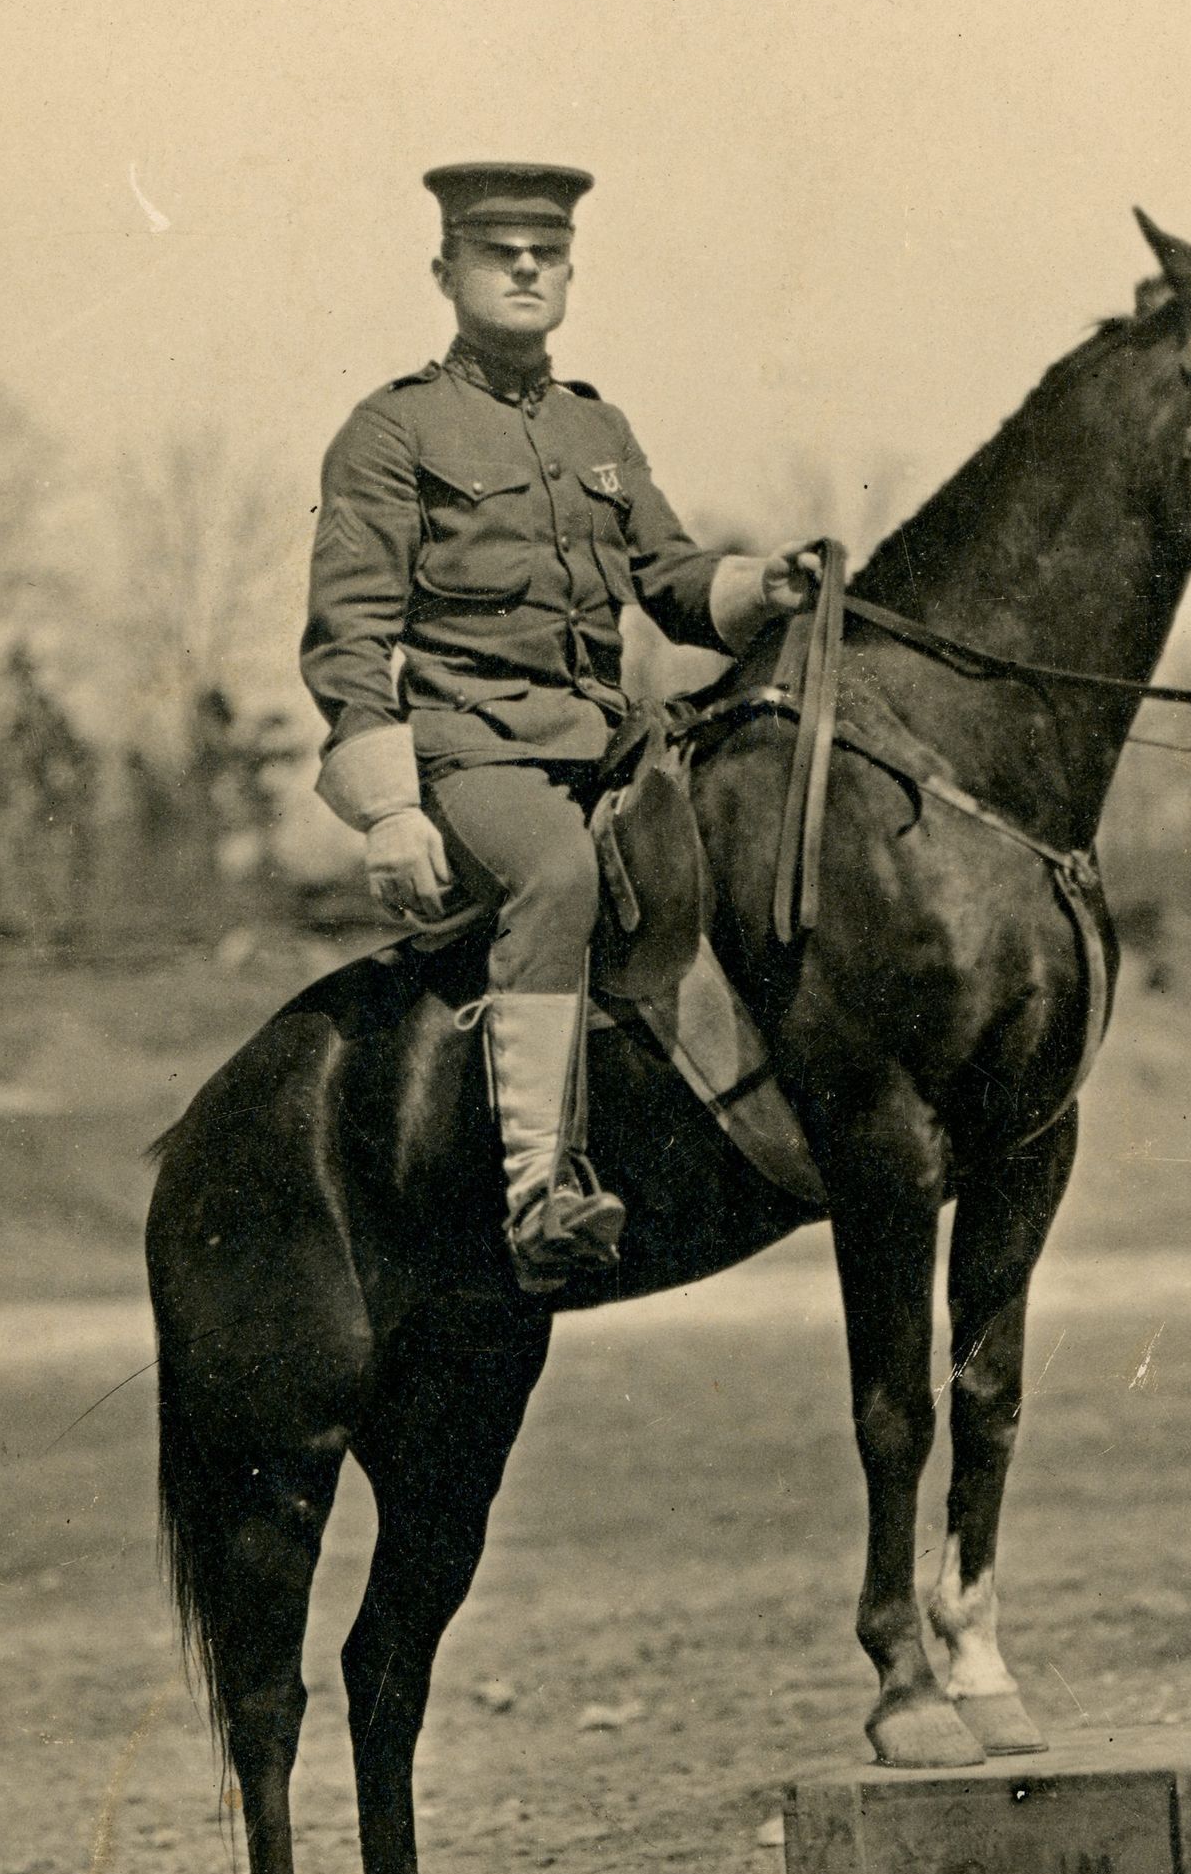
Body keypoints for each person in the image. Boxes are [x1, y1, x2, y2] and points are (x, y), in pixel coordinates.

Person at [305, 162, 819, 1292]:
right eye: (499, 254)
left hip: (610, 746)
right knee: (557, 876)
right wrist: (389, 810)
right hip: (473, 753)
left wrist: (762, 584)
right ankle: (541, 1195)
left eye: (548, 254)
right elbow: (349, 634)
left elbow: (671, 577)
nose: (527, 269)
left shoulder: (598, 426)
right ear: (445, 271)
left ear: (571, 273)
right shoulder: (393, 430)